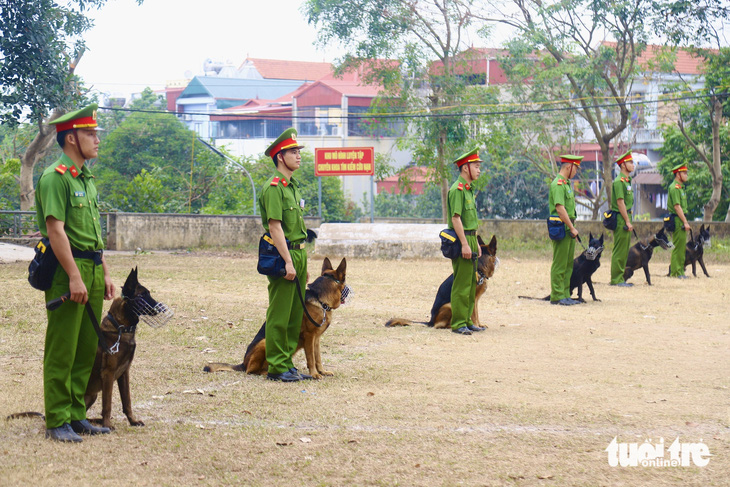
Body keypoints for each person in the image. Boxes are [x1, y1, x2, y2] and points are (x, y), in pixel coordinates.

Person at [35, 103, 115, 442]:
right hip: (69, 273)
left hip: (92, 270)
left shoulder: (87, 179)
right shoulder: (56, 178)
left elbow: (93, 236)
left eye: (96, 133)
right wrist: (74, 275)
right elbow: (56, 231)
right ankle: (56, 419)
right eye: (89, 133)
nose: (96, 139)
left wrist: (106, 273)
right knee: (63, 347)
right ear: (70, 139)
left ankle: (76, 414)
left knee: (86, 348)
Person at [259, 128, 311, 381]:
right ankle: (277, 366)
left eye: (299, 151)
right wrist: (289, 262)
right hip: (283, 256)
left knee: (294, 313)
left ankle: (287, 362)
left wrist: (301, 262)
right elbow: (275, 226)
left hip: (300, 253)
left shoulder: (292, 187)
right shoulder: (274, 188)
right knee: (280, 312)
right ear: (280, 156)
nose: (299, 156)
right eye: (293, 152)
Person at [447, 148, 483, 335]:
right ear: (465, 168)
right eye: (476, 166)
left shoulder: (469, 190)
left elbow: (470, 222)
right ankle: (458, 322)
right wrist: (464, 244)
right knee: (461, 283)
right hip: (461, 239)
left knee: (471, 282)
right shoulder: (457, 190)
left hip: (469, 237)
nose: (479, 170)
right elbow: (456, 219)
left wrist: (474, 241)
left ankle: (467, 320)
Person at [549, 154, 582, 305]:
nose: (576, 171)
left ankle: (565, 293)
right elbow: (560, 208)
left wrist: (572, 227)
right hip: (561, 227)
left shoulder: (567, 184)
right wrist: (571, 227)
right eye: (576, 168)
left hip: (569, 226)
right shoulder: (558, 184)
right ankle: (557, 295)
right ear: (569, 167)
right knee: (560, 262)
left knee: (568, 263)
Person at [609, 151, 635, 286]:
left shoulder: (627, 181)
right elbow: (620, 202)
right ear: (623, 165)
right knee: (619, 249)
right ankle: (616, 279)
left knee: (625, 250)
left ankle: (620, 277)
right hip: (621, 218)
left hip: (626, 216)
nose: (633, 165)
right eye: (630, 162)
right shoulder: (619, 181)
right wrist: (627, 221)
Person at [668, 163, 690, 278]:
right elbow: (677, 207)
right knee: (677, 247)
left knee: (682, 247)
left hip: (681, 218)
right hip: (677, 219)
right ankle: (675, 272)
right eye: (684, 173)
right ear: (678, 174)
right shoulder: (674, 188)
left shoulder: (680, 187)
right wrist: (685, 222)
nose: (686, 175)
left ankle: (680, 271)